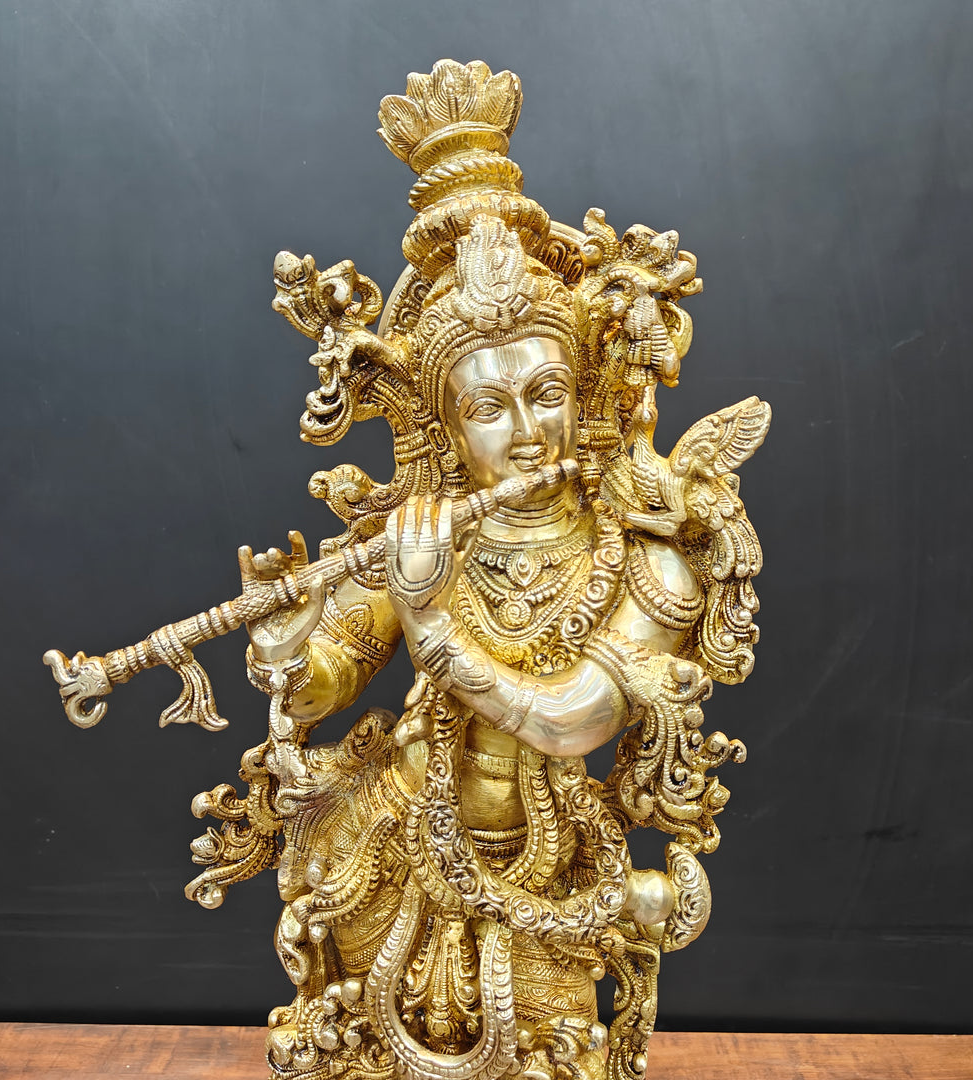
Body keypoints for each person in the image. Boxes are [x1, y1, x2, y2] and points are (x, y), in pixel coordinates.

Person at [185, 60, 768, 1080]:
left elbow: (579, 719)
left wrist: (433, 621)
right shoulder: (426, 531)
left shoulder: (642, 559)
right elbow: (333, 670)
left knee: (548, 1048)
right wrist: (287, 654)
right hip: (397, 835)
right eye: (490, 407)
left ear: (584, 393)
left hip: (549, 859)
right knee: (350, 1022)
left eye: (547, 393)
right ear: (449, 430)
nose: (528, 431)